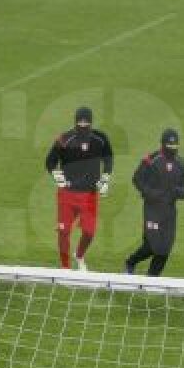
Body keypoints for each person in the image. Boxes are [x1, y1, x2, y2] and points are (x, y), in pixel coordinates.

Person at [44, 107, 114, 271]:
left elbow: (109, 159)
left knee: (89, 233)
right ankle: (65, 268)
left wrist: (105, 178)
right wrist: (57, 177)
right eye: (80, 122)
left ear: (91, 122)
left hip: (89, 194)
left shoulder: (100, 139)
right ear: (75, 122)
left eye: (86, 122)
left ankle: (80, 255)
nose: (83, 125)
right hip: (67, 194)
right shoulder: (64, 139)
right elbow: (50, 162)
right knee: (63, 231)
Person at [125, 129, 184, 277]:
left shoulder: (181, 164)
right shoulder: (151, 159)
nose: (172, 149)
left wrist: (177, 192)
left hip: (169, 211)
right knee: (151, 246)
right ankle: (130, 262)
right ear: (162, 144)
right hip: (152, 209)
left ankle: (152, 278)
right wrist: (150, 193)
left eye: (175, 147)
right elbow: (137, 179)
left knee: (165, 247)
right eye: (169, 146)